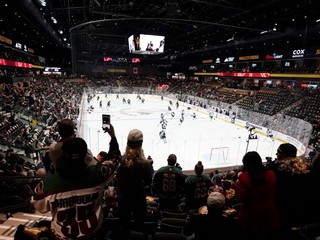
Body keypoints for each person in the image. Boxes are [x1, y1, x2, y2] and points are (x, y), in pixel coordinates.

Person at [31, 137, 118, 240]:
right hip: (92, 234)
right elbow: (114, 160)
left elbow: (39, 206)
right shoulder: (98, 174)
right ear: (86, 156)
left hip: (61, 236)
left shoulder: (48, 183)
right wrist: (112, 137)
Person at [266, 143, 313, 238]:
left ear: (283, 155)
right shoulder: (306, 169)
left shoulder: (275, 168)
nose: (276, 154)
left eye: (278, 152)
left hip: (279, 209)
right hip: (298, 210)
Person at [114, 129, 153, 238]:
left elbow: (117, 179)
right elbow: (148, 182)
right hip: (138, 200)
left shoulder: (120, 161)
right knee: (138, 225)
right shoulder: (145, 164)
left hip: (123, 199)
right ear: (141, 143)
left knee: (124, 225)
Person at [234, 151, 280, 240]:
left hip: (251, 216)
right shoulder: (271, 174)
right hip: (270, 214)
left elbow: (241, 198)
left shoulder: (244, 177)